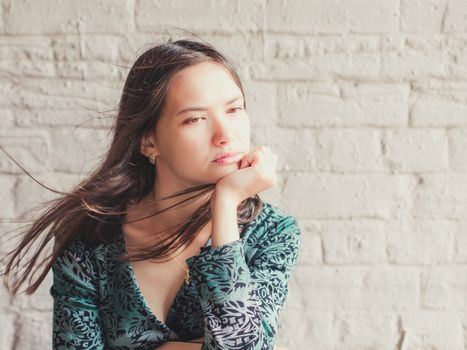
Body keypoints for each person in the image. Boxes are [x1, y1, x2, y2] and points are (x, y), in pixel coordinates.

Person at [1, 38, 301, 350]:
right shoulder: (92, 241)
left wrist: (224, 203)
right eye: (196, 118)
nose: (226, 134)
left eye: (234, 109)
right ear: (149, 142)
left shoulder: (272, 234)